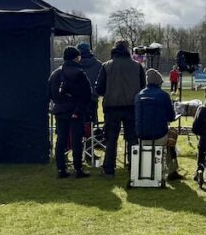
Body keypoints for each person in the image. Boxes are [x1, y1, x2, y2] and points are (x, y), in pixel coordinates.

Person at [95, 40, 145, 178]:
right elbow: (143, 86)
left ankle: (109, 169)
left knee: (111, 138)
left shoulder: (106, 66)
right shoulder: (137, 66)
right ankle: (135, 168)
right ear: (128, 50)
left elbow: (99, 89)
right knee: (132, 138)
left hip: (112, 107)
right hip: (132, 106)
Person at [48, 46, 93, 178]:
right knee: (76, 140)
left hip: (60, 110)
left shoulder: (55, 74)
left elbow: (49, 93)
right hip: (75, 110)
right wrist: (78, 110)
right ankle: (78, 169)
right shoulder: (79, 73)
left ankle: (61, 169)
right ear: (76, 57)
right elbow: (86, 94)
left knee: (61, 139)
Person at [134, 68, 179, 179]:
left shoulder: (138, 95)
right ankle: (172, 170)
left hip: (141, 136)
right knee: (172, 134)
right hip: (159, 136)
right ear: (159, 82)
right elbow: (171, 117)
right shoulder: (163, 95)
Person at [77, 42, 103, 124]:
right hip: (93, 98)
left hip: (78, 99)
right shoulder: (99, 64)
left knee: (78, 124)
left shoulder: (75, 64)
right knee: (91, 123)